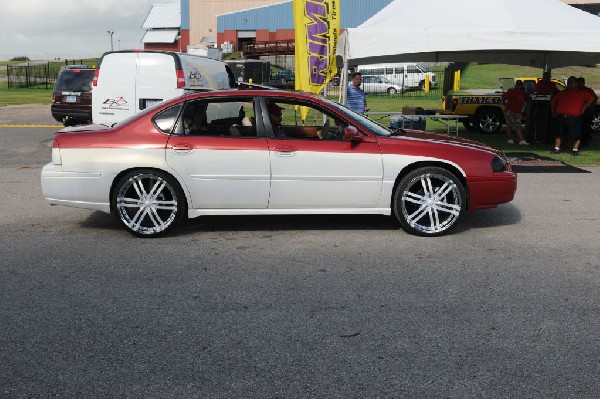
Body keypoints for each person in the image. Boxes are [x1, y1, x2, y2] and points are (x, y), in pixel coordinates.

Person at [550, 76, 596, 156]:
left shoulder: (581, 92)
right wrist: (553, 113)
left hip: (574, 117)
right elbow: (553, 102)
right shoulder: (562, 92)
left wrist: (585, 106)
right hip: (561, 116)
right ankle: (556, 148)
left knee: (576, 135)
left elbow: (592, 98)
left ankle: (575, 149)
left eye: (571, 82)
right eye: (568, 82)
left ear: (575, 83)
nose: (569, 83)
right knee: (558, 134)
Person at [501, 80, 529, 145]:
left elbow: (527, 99)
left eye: (520, 84)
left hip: (518, 112)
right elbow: (503, 97)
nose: (519, 85)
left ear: (522, 85)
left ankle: (521, 140)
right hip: (510, 111)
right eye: (518, 84)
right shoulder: (511, 91)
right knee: (509, 125)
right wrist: (505, 104)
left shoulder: (523, 93)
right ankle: (509, 139)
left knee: (518, 125)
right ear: (516, 85)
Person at [576, 76, 598, 146]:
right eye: (578, 82)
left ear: (583, 82)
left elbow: (594, 99)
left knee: (585, 126)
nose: (580, 84)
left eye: (581, 82)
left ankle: (585, 140)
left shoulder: (588, 90)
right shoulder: (575, 90)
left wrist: (591, 107)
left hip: (587, 111)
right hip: (577, 111)